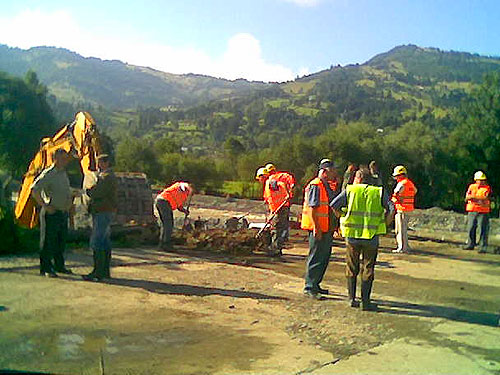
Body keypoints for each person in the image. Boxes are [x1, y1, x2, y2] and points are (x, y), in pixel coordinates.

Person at [331, 169, 395, 311]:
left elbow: (333, 205)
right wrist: (385, 223)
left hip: (352, 236)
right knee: (368, 267)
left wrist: (342, 216)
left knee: (351, 266)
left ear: (358, 178)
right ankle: (365, 302)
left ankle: (351, 299)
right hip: (371, 236)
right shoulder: (378, 192)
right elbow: (392, 208)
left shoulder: (350, 190)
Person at [31, 148, 73, 277]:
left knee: (60, 241)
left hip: (62, 212)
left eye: (66, 158)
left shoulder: (63, 173)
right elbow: (35, 189)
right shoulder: (49, 173)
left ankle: (59, 266)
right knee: (48, 241)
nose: (65, 161)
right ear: (55, 158)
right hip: (52, 212)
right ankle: (46, 268)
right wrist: (44, 205)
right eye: (63, 158)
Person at [301, 159, 339, 299]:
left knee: (324, 257)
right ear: (324, 172)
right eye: (332, 170)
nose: (334, 172)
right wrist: (316, 228)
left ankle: (316, 284)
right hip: (318, 229)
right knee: (316, 257)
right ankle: (310, 287)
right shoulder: (315, 185)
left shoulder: (326, 186)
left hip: (326, 228)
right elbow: (312, 208)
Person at [82, 154, 118, 281]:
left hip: (102, 211)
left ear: (106, 163)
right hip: (105, 210)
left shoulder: (106, 177)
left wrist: (87, 190)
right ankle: (104, 271)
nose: (98, 165)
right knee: (105, 241)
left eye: (100, 162)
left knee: (97, 241)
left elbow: (96, 192)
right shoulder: (108, 176)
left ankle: (98, 271)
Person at [257, 167, 290, 256]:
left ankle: (276, 249)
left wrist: (287, 194)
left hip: (281, 208)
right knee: (274, 227)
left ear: (262, 176)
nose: (259, 180)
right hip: (276, 208)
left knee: (277, 228)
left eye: (259, 178)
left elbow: (281, 184)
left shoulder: (270, 181)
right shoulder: (267, 184)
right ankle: (273, 247)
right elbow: (269, 196)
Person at [154, 181, 193, 250]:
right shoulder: (184, 186)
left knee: (165, 224)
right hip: (164, 201)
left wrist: (184, 211)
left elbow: (179, 205)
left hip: (161, 201)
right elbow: (183, 186)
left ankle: (162, 244)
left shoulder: (183, 195)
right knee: (169, 224)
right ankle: (166, 244)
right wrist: (187, 188)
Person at [265, 163, 296, 242]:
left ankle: (277, 245)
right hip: (283, 204)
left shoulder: (272, 179)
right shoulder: (284, 176)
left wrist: (288, 194)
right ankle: (283, 239)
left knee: (278, 226)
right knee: (283, 223)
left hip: (280, 205)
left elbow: (282, 185)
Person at [463, 171, 491, 253]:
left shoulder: (486, 188)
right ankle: (470, 244)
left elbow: (484, 197)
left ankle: (482, 247)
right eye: (480, 180)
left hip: (483, 211)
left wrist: (473, 197)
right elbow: (467, 197)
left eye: (483, 180)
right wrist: (475, 198)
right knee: (471, 227)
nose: (482, 182)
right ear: (476, 180)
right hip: (472, 210)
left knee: (483, 229)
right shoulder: (471, 187)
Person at [391, 165, 417, 254]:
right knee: (404, 229)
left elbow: (396, 194)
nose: (396, 178)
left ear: (401, 175)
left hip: (402, 209)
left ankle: (402, 248)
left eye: (397, 176)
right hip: (409, 208)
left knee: (400, 230)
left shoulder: (402, 184)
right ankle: (406, 246)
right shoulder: (410, 183)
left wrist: (395, 200)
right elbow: (415, 191)